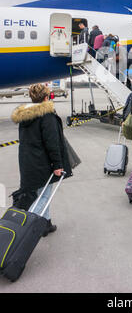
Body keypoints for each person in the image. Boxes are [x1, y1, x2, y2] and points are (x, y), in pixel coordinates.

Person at [11, 83, 72, 236]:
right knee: (42, 197)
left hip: (28, 162)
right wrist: (58, 164)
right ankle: (24, 233)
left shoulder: (26, 115)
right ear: (46, 97)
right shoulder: (47, 116)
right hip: (43, 163)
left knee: (41, 194)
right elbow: (53, 142)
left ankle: (46, 224)